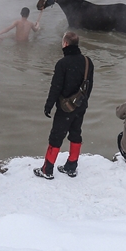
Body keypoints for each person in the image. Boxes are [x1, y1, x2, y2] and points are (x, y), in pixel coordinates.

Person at [35, 31, 93, 179]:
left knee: (56, 137)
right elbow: (89, 86)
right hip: (81, 105)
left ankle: (47, 169)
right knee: (75, 133)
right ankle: (71, 166)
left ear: (65, 44)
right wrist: (82, 102)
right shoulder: (87, 61)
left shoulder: (63, 63)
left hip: (65, 107)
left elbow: (56, 87)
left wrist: (49, 105)